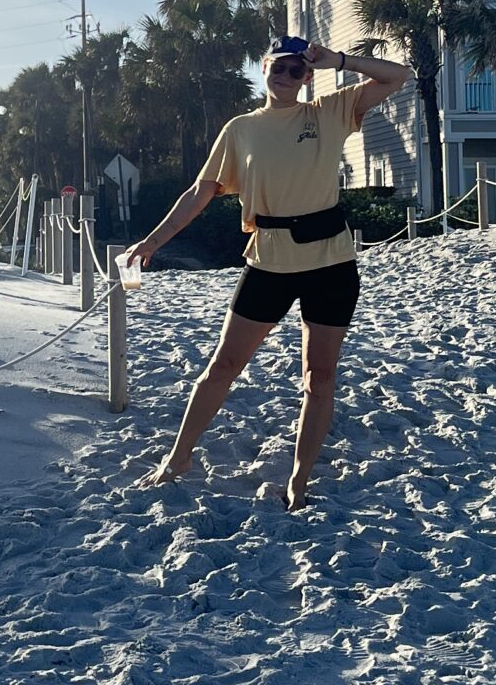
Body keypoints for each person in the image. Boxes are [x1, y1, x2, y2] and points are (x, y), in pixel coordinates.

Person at [122, 34, 410, 509]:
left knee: (320, 376)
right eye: (279, 67)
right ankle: (178, 458)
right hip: (268, 264)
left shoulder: (329, 112)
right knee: (223, 365)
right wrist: (152, 242)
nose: (286, 76)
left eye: (297, 70)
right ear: (264, 67)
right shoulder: (240, 129)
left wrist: (338, 60)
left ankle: (299, 481)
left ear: (308, 76)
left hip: (331, 264)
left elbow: (398, 76)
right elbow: (200, 192)